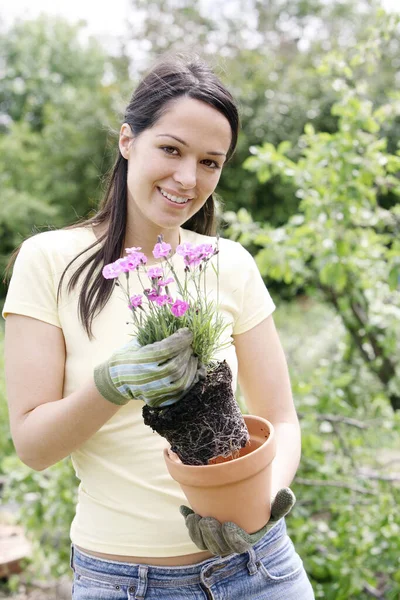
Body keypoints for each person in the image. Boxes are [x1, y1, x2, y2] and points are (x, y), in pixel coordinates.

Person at [3, 54, 315, 599]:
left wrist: (264, 500)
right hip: (126, 583)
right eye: (171, 149)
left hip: (258, 571)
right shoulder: (49, 260)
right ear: (128, 141)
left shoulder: (229, 263)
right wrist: (110, 385)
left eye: (210, 162)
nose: (187, 178)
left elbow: (280, 419)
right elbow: (32, 446)